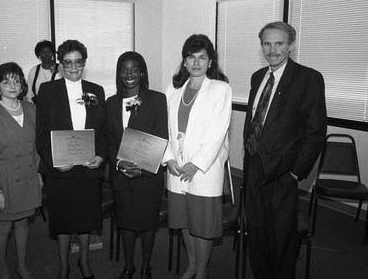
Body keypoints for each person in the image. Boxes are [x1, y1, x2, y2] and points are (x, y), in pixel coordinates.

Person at [243, 21, 327, 279]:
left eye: (279, 43)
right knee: (256, 234)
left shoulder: (308, 79)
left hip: (283, 173)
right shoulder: (258, 77)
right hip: (254, 168)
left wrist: (295, 172)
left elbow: (315, 132)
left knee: (281, 239)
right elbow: (256, 120)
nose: (272, 50)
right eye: (267, 44)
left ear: (290, 45)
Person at [163, 34, 232, 279]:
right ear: (184, 61)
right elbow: (165, 128)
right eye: (191, 57)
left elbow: (218, 132)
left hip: (204, 170)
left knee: (202, 226)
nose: (196, 62)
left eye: (202, 57)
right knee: (184, 222)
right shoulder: (172, 89)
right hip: (177, 167)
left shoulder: (221, 89)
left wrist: (197, 164)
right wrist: (168, 157)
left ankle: (201, 272)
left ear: (210, 61)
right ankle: (191, 265)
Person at [36, 39, 105, 279]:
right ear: (61, 64)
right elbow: (41, 134)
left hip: (88, 167)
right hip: (61, 169)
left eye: (78, 62)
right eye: (68, 62)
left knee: (86, 219)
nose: (73, 66)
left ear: (84, 63)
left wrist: (100, 156)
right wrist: (55, 159)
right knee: (63, 219)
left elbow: (103, 131)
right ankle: (64, 263)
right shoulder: (47, 91)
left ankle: (84, 262)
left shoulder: (96, 90)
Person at [105, 51, 168, 279]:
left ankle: (146, 267)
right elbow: (109, 140)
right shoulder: (111, 103)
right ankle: (129, 265)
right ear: (118, 73)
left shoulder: (157, 99)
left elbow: (162, 137)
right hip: (121, 175)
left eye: (134, 69)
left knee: (147, 224)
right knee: (126, 223)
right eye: (124, 70)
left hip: (147, 175)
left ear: (142, 72)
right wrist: (119, 163)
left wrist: (142, 169)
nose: (129, 74)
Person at [0, 62, 42, 279]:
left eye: (16, 80)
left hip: (27, 178)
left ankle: (22, 266)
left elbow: (36, 148)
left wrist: (39, 175)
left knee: (23, 223)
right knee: (4, 228)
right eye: (6, 81)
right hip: (3, 183)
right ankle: (2, 267)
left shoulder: (32, 109)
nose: (12, 85)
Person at [26, 40, 62, 104]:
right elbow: (29, 93)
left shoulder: (61, 69)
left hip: (57, 106)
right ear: (38, 54)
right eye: (43, 52)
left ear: (52, 53)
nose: (46, 54)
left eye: (49, 52)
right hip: (38, 106)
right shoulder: (33, 70)